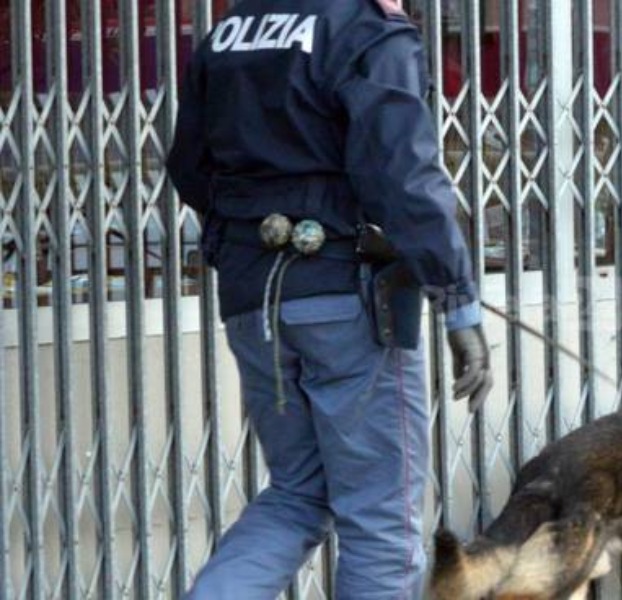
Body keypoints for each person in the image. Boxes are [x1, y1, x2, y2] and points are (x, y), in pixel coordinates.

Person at [166, 0, 493, 597]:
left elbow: (188, 166)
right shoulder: (368, 32)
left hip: (254, 299)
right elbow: (404, 177)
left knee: (298, 492)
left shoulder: (230, 33)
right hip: (351, 298)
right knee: (380, 518)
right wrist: (457, 300)